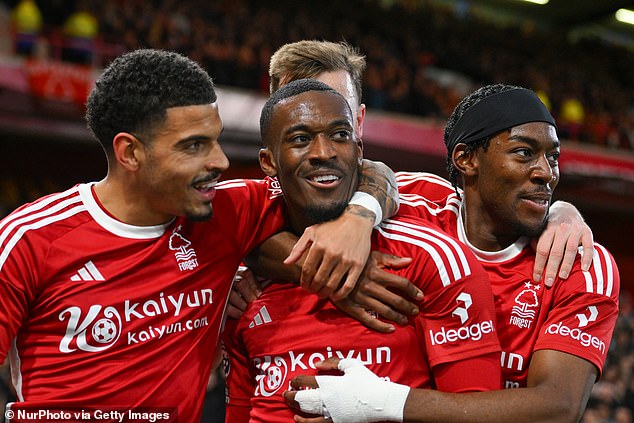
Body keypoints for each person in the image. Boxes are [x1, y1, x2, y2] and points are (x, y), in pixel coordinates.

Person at [0, 49, 398, 422]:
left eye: (216, 139)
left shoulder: (224, 211)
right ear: (130, 153)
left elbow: (362, 167)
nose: (220, 161)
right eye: (194, 146)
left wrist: (359, 219)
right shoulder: (30, 239)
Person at [285, 84, 621, 423]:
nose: (546, 173)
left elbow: (558, 408)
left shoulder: (582, 264)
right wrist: (360, 217)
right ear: (466, 159)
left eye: (553, 157)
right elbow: (272, 217)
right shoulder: (414, 203)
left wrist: (380, 403)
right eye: (524, 153)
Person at [230, 40, 597, 332]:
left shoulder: (419, 195)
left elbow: (495, 210)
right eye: (296, 107)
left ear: (358, 121)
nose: (316, 117)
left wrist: (561, 213)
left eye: (334, 109)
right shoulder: (241, 216)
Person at [223, 78, 502, 423]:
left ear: (359, 150)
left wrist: (382, 407)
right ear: (269, 163)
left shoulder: (434, 260)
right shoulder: (244, 282)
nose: (323, 152)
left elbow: (484, 414)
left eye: (340, 135)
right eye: (300, 139)